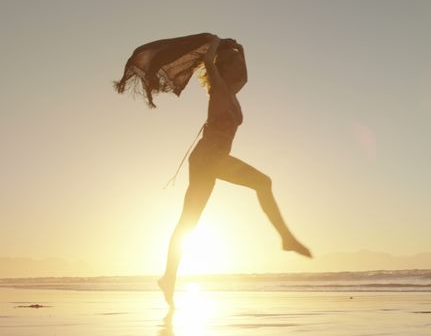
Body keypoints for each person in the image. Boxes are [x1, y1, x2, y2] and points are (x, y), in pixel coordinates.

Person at [114, 33, 312, 307]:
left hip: (208, 159)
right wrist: (216, 43)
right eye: (237, 63)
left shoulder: (232, 91)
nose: (241, 68)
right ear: (225, 67)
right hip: (209, 158)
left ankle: (168, 277)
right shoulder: (218, 86)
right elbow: (209, 60)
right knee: (262, 183)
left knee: (189, 222)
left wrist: (242, 49)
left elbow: (246, 77)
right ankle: (287, 238)